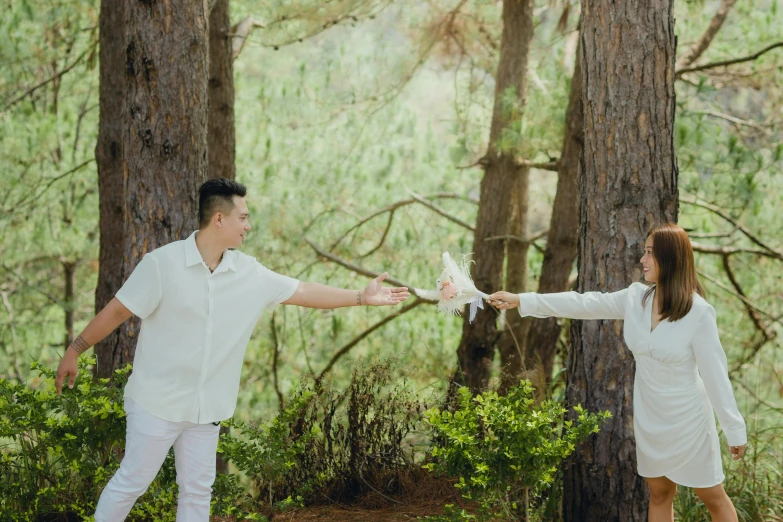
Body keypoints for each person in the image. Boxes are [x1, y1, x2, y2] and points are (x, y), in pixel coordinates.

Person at [55, 178, 410, 522]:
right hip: (155, 403)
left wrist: (362, 297)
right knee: (132, 481)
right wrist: (75, 349)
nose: (248, 226)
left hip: (207, 408)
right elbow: (118, 310)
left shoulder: (249, 273)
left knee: (197, 492)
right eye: (243, 217)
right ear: (219, 218)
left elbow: (302, 291)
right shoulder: (162, 265)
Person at [488, 223, 746, 522]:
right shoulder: (636, 298)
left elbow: (716, 375)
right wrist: (523, 299)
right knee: (660, 493)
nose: (642, 259)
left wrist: (734, 428)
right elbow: (584, 303)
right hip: (650, 416)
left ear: (670, 258)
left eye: (650, 253)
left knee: (712, 496)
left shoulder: (699, 313)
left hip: (689, 419)